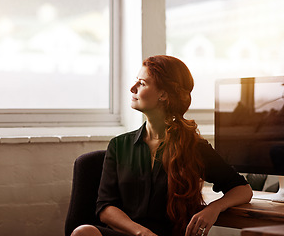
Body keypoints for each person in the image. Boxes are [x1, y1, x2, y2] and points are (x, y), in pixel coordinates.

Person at [71, 55, 253, 236]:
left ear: (163, 94)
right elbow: (105, 207)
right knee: (84, 232)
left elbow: (243, 189)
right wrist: (142, 233)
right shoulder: (119, 145)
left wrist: (214, 208)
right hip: (130, 233)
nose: (132, 88)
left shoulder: (194, 147)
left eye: (142, 83)